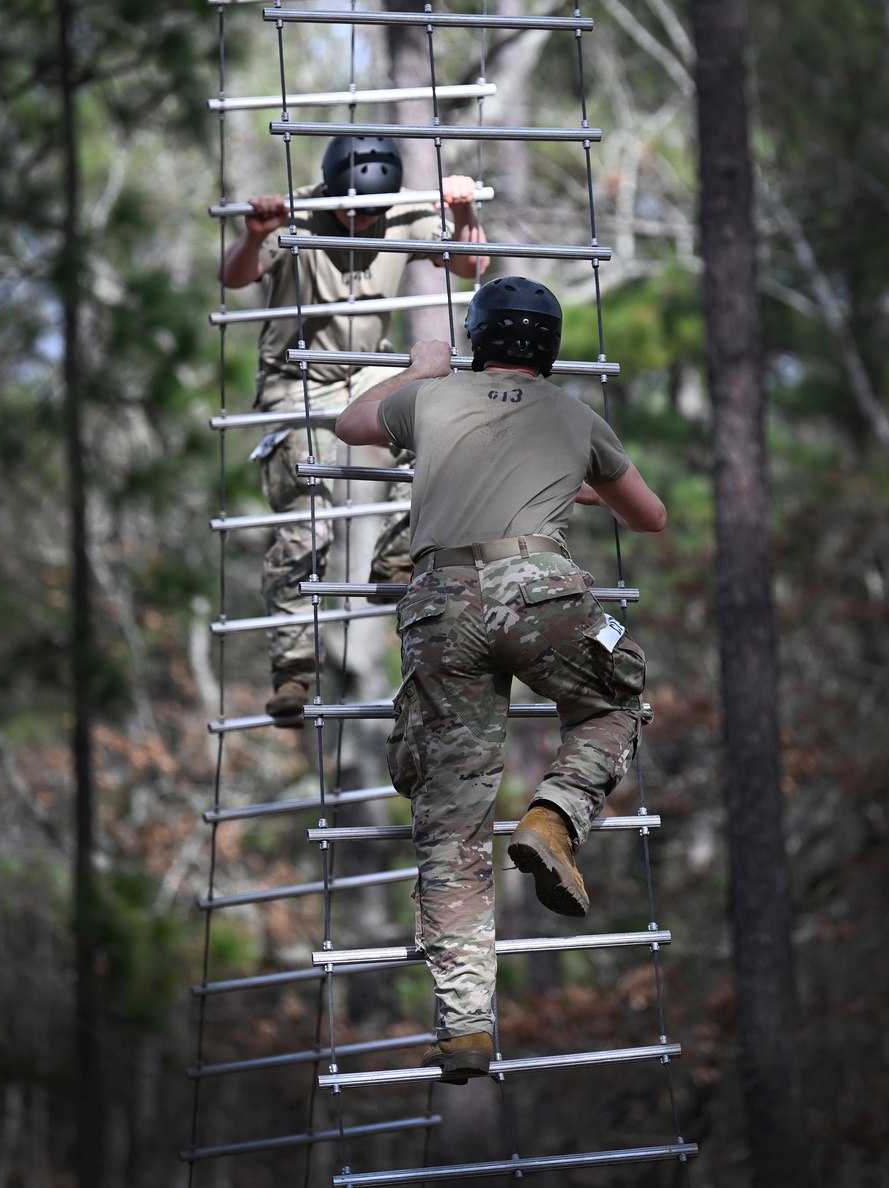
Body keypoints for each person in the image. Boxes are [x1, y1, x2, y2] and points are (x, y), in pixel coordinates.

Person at [334, 276, 667, 1083]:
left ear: (479, 338)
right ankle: (554, 816)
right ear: (550, 348)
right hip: (543, 592)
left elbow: (346, 423)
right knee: (615, 698)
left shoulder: (433, 398)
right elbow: (649, 516)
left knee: (451, 826)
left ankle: (465, 1027)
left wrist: (421, 368)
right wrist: (567, 477)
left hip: (441, 605)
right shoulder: (576, 417)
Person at [219, 135, 486, 726]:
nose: (359, 220)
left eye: (369, 212)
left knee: (440, 436)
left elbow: (471, 266)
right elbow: (235, 276)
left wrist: (463, 211)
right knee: (304, 528)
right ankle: (292, 669)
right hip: (298, 380)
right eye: (349, 210)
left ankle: (394, 557)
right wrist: (257, 234)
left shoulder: (400, 212)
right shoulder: (300, 214)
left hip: (370, 372)